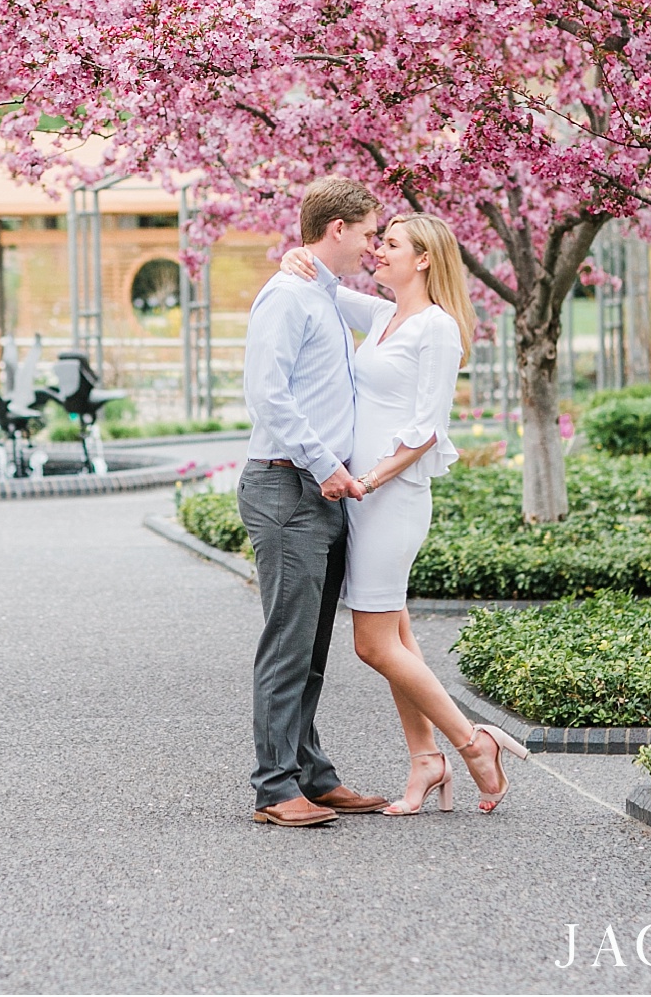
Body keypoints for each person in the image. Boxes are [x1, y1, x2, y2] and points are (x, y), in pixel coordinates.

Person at [281, 213, 528, 815]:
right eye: (377, 240)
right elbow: (328, 288)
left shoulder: (437, 329)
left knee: (372, 644)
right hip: (360, 494)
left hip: (390, 496)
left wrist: (369, 478)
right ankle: (425, 761)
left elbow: (425, 431)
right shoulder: (385, 314)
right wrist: (296, 258)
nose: (377, 251)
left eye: (389, 244)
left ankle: (474, 743)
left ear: (422, 259)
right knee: (397, 635)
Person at [237, 178, 391, 827]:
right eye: (368, 234)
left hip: (321, 491)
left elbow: (392, 316)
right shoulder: (287, 297)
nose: (373, 247)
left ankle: (312, 775)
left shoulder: (323, 293)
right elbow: (267, 394)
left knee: (312, 649)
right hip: (290, 486)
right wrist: (326, 465)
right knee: (287, 644)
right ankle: (275, 788)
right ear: (337, 229)